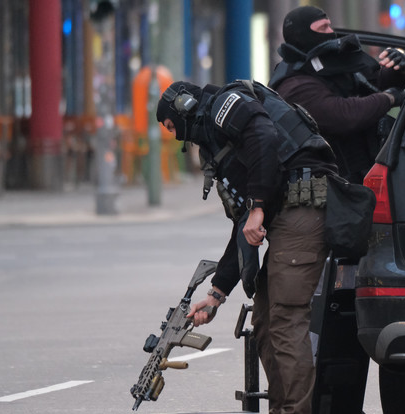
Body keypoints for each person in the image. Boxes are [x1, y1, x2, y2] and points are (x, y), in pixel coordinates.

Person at [156, 79, 338, 413]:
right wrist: (215, 295)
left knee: (285, 320)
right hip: (285, 209)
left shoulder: (226, 104)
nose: (174, 134)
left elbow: (264, 136)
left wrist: (257, 205)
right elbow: (242, 226)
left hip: (305, 200)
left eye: (171, 126)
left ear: (183, 107)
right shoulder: (217, 145)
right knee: (267, 323)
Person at [269, 5, 405, 183]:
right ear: (300, 35)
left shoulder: (332, 63)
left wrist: (401, 68)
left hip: (364, 173)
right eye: (323, 28)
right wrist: (389, 98)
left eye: (329, 26)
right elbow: (344, 114)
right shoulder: (293, 83)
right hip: (331, 188)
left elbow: (374, 82)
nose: (330, 32)